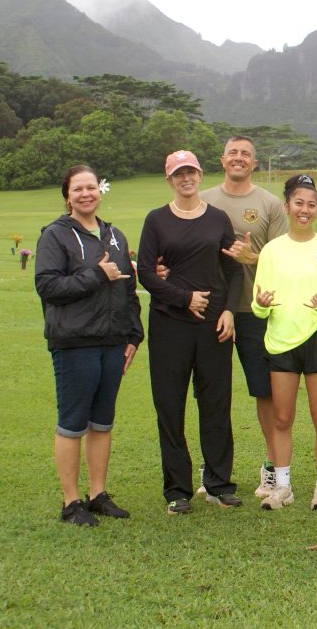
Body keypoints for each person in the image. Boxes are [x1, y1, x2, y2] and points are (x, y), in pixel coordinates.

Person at [35, 165, 143, 526]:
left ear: (100, 191)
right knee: (72, 423)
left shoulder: (115, 235)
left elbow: (128, 291)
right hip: (74, 343)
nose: (86, 194)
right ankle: (71, 502)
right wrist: (97, 275)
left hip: (113, 342)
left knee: (102, 422)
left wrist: (134, 336)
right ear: (67, 195)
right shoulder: (55, 235)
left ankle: (97, 494)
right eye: (77, 189)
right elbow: (48, 287)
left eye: (91, 187)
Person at [137, 150, 242, 515]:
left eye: (191, 172)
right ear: (170, 179)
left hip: (214, 326)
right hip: (170, 325)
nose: (186, 179)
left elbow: (234, 271)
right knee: (170, 405)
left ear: (200, 175)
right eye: (179, 174)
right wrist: (185, 299)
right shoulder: (156, 220)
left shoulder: (217, 219)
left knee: (215, 404)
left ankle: (218, 484)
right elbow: (146, 274)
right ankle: (177, 490)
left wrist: (229, 311)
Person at [200, 136, 288, 498]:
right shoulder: (202, 200)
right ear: (223, 159)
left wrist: (255, 257)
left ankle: (270, 466)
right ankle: (214, 468)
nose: (239, 158)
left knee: (264, 391)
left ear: (254, 162)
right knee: (211, 392)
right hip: (211, 310)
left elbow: (286, 257)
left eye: (246, 154)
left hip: (256, 311)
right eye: (233, 152)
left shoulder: (269, 204)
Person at [251, 175, 317, 511]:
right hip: (281, 341)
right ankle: (283, 488)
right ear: (287, 206)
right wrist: (261, 302)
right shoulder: (272, 251)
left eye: (312, 204)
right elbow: (259, 306)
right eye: (299, 203)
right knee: (282, 418)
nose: (305, 210)